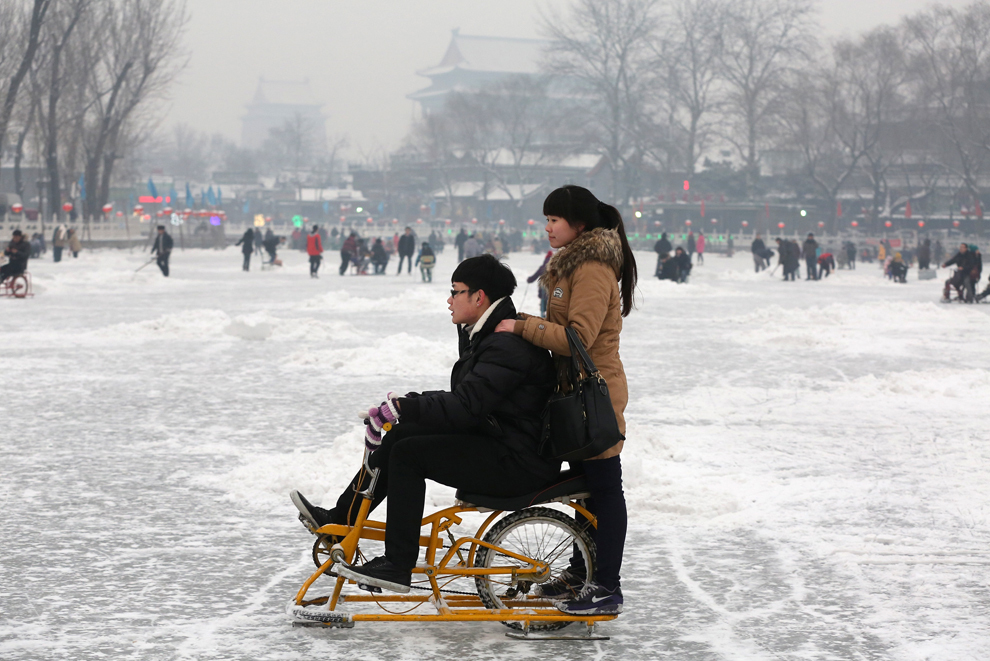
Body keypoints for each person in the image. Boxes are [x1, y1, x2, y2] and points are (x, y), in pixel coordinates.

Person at [290, 255, 557, 594]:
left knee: (409, 455)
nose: (449, 300)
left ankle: (398, 564)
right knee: (400, 434)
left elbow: (466, 406)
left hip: (518, 462)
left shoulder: (505, 345)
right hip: (500, 440)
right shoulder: (489, 335)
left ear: (479, 297)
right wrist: (404, 408)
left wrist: (407, 407)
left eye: (455, 291)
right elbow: (468, 398)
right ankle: (342, 519)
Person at [495, 184, 635, 616]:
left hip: (596, 396)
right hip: (577, 394)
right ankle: (581, 574)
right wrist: (523, 322)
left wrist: (522, 326)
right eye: (547, 220)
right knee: (586, 493)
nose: (548, 228)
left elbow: (578, 339)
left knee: (604, 489)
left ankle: (606, 587)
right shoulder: (571, 264)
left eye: (554, 220)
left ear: (579, 224)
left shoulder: (592, 267)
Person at [527, 249, 554, 316]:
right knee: (550, 303)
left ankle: (543, 315)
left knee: (543, 304)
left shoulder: (542, 267)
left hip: (543, 289)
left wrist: (529, 280)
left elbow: (535, 276)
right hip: (552, 289)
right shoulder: (555, 267)